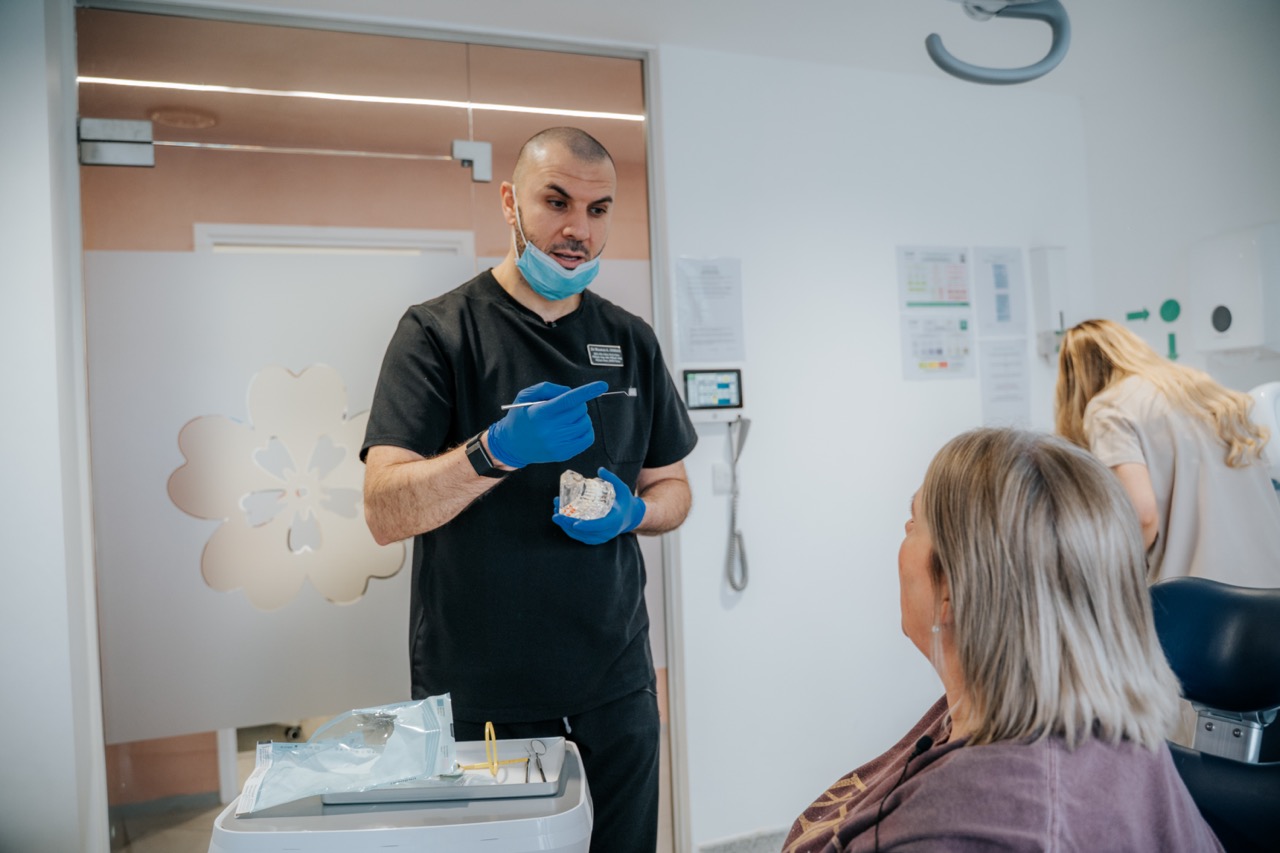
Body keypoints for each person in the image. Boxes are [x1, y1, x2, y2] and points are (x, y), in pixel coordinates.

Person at [361, 127, 697, 852]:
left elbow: (674, 485)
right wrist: (494, 449)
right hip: (484, 693)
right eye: (557, 201)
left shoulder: (630, 339)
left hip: (615, 684)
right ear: (510, 202)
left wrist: (636, 512)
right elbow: (385, 509)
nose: (579, 229)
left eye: (600, 209)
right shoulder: (438, 334)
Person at [783, 428, 1221, 853]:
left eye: (914, 524)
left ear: (955, 587)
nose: (903, 534)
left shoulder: (984, 826)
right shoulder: (1018, 704)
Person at [1055, 318, 1280, 585]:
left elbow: (1142, 517)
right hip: (1269, 587)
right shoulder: (1202, 390)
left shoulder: (1108, 409)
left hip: (1200, 599)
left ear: (1074, 376)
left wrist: (1105, 580)